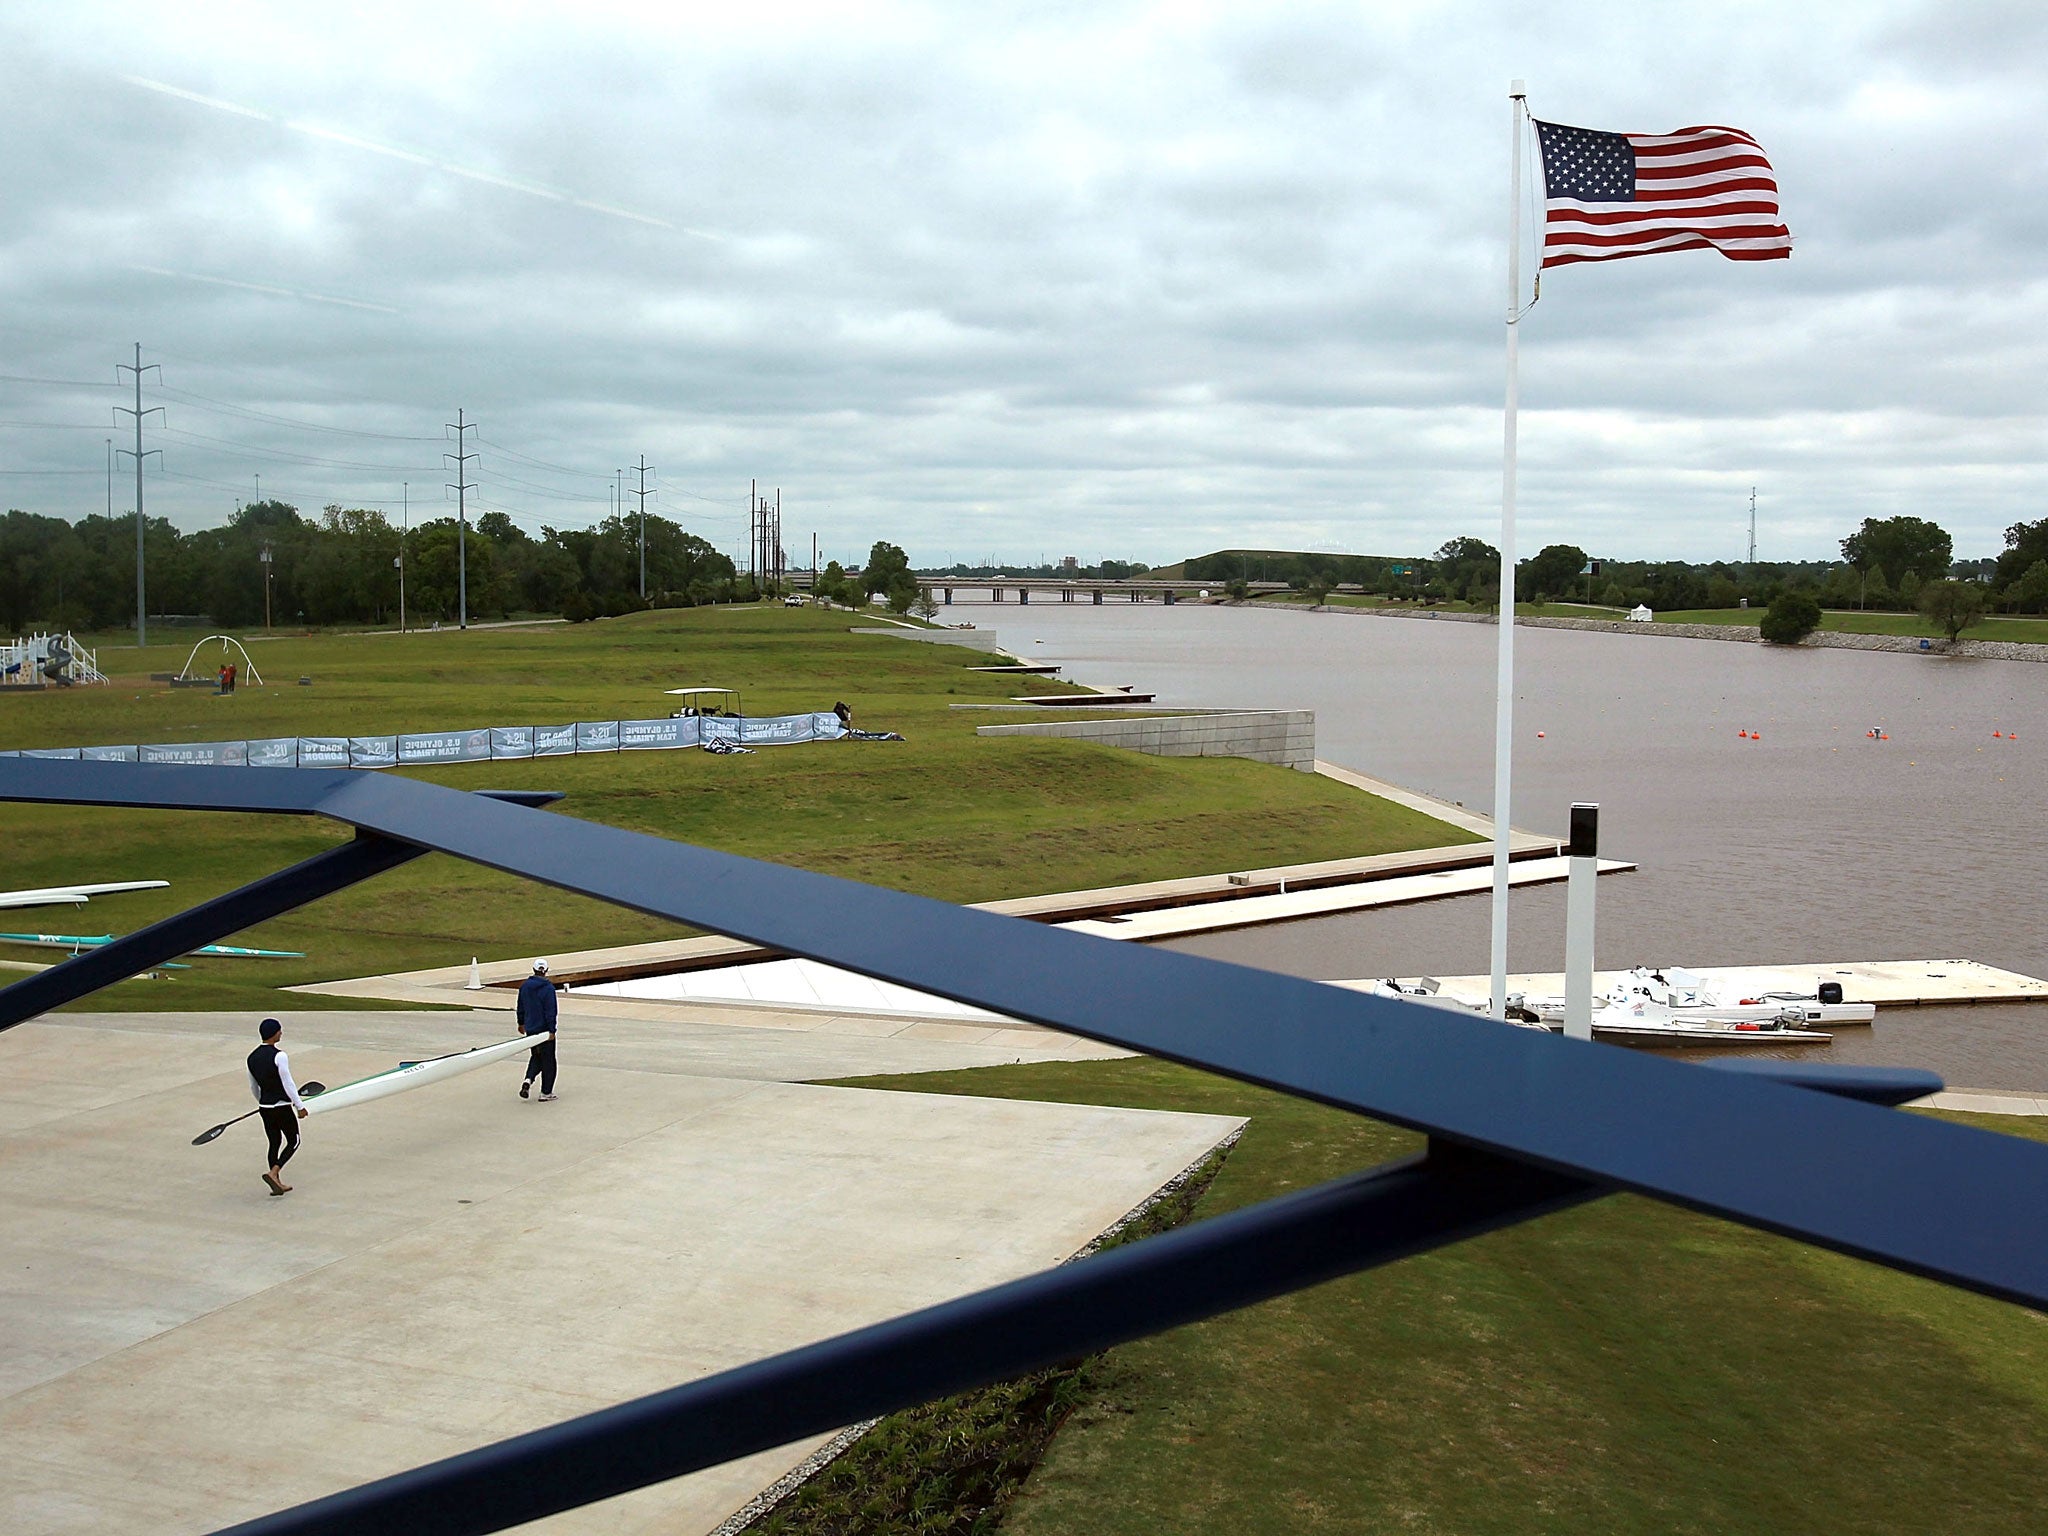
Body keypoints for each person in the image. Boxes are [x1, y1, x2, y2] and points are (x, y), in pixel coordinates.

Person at [246, 1018, 309, 1195]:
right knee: (294, 1140)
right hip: (281, 1106)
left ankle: (276, 1182)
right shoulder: (279, 1055)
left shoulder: (251, 1057)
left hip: (264, 1108)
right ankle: (274, 1173)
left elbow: (253, 1086)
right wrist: (299, 1106)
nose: (281, 1033)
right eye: (279, 1031)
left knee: (274, 1142)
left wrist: (263, 1101)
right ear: (274, 1033)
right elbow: (287, 1082)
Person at [517, 959, 559, 1101]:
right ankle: (546, 1092)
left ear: (533, 970)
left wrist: (521, 1023)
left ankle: (528, 1079)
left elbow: (520, 1006)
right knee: (549, 1062)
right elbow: (551, 1011)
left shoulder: (525, 987)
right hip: (545, 1030)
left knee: (536, 1056)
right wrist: (552, 1030)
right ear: (546, 970)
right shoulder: (548, 989)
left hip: (531, 1028)